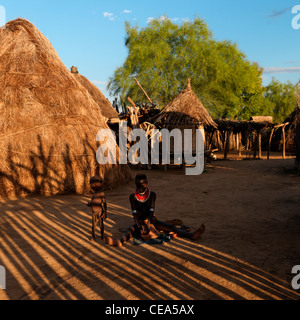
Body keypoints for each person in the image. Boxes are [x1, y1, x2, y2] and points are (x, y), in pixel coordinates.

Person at [105, 174, 205, 246]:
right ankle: (118, 241)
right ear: (135, 184)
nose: (140, 188)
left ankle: (191, 235)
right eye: (138, 185)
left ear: (147, 184)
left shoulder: (152, 195)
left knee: (171, 228)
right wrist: (140, 227)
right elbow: (134, 214)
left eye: (143, 185)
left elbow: (151, 211)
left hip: (151, 220)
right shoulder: (132, 197)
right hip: (139, 222)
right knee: (131, 231)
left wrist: (148, 224)